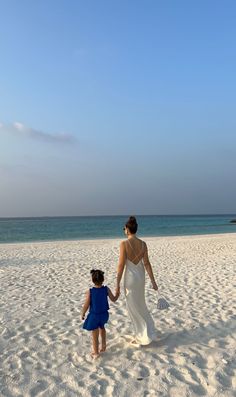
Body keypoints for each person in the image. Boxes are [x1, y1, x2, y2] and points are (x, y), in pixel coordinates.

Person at [116, 216, 158, 345]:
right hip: (140, 278)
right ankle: (145, 330)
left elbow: (121, 265)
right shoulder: (143, 244)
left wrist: (117, 283)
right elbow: (147, 264)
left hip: (130, 279)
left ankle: (140, 333)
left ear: (128, 230)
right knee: (141, 304)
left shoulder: (123, 244)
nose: (124, 230)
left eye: (124, 229)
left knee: (132, 307)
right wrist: (153, 281)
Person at [82, 269, 119, 358]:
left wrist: (83, 313)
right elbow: (113, 299)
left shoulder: (90, 291)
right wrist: (117, 293)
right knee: (102, 328)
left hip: (94, 315)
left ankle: (96, 352)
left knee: (95, 334)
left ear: (93, 280)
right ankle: (104, 346)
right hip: (104, 315)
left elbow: (86, 304)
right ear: (103, 279)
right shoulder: (106, 289)